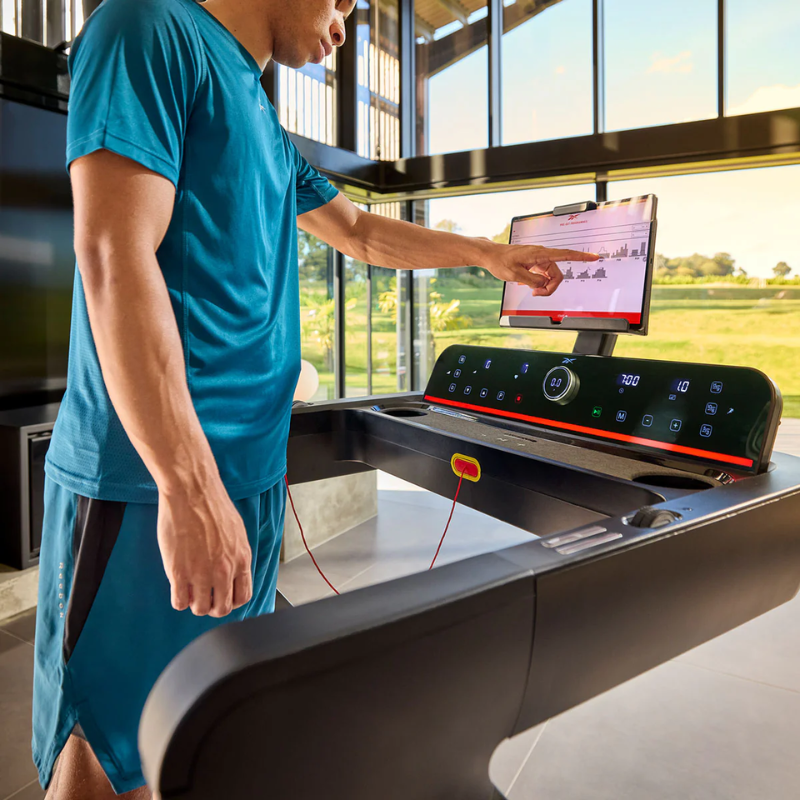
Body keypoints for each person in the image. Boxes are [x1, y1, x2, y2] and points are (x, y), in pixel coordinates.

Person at [32, 0, 599, 797]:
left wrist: (489, 255)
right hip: (146, 481)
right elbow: (112, 254)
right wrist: (187, 488)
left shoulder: (261, 115)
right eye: (340, 3)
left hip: (248, 476)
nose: (343, 26)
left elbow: (360, 233)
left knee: (190, 736)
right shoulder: (147, 27)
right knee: (103, 748)